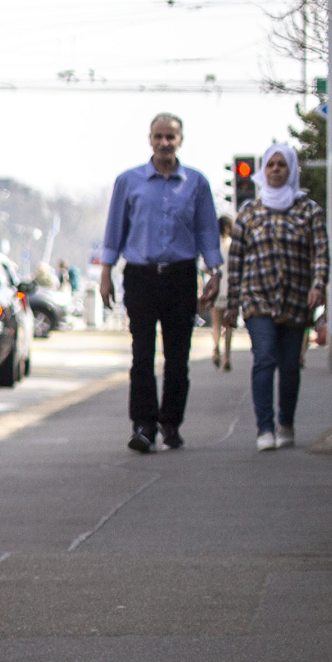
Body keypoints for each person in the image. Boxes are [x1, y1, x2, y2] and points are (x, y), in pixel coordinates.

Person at [97, 113, 221, 453]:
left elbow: (208, 231)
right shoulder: (129, 181)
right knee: (142, 355)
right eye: (158, 136)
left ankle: (171, 423)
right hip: (140, 275)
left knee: (178, 357)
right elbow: (114, 231)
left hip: (181, 275)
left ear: (180, 140)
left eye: (171, 137)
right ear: (149, 139)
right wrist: (105, 273)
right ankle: (143, 425)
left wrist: (214, 273)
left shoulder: (196, 183)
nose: (164, 143)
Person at [221, 141, 328, 451]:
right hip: (258, 299)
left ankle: (286, 422)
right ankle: (264, 427)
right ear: (263, 171)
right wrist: (232, 304)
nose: (276, 170)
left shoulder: (309, 210)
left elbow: (320, 253)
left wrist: (318, 285)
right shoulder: (249, 212)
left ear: (291, 169)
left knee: (290, 365)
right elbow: (236, 260)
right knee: (264, 357)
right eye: (271, 165)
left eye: (282, 165)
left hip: (296, 299)